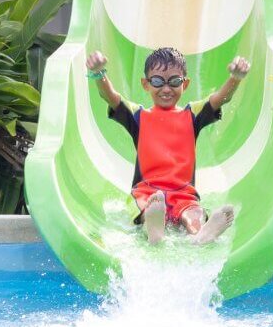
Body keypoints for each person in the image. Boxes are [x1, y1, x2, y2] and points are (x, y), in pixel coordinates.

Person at [85, 47, 247, 244]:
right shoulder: (138, 116)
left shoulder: (192, 114)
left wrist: (235, 78)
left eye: (175, 81)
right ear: (145, 84)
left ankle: (200, 235)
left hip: (183, 193)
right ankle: (154, 229)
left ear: (185, 84)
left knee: (193, 213)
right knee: (148, 208)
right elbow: (110, 96)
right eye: (157, 81)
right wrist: (99, 74)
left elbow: (221, 98)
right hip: (146, 191)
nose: (166, 89)